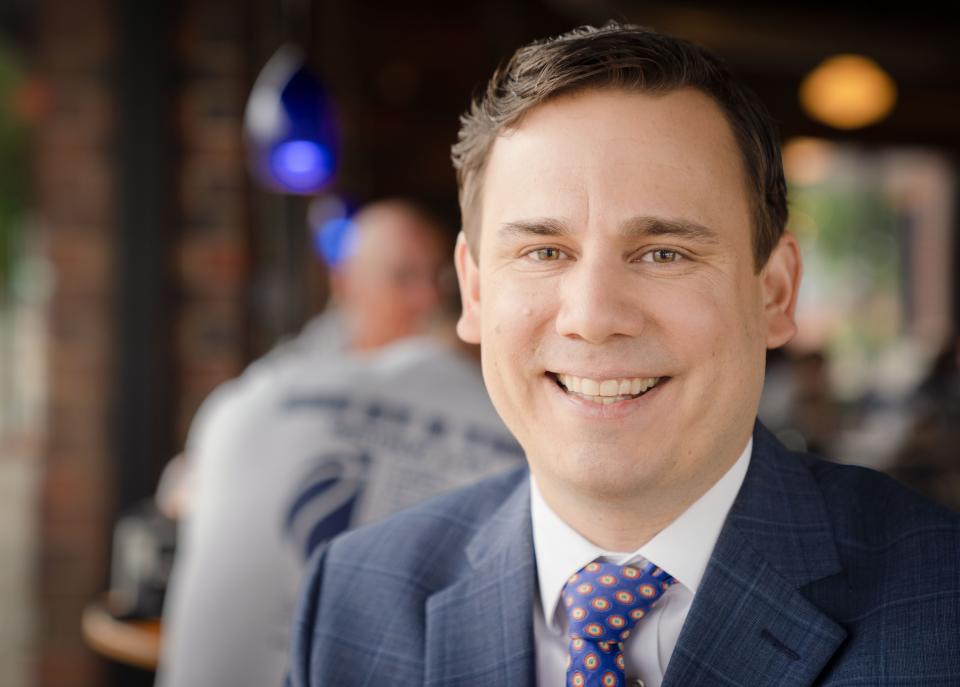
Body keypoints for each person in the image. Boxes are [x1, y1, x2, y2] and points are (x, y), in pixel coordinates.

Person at [287, 23, 960, 687]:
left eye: (664, 252)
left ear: (774, 292)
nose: (594, 317)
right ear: (475, 291)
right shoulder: (356, 597)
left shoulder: (941, 604)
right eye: (544, 251)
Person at [155, 198, 475, 687]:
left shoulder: (470, 385)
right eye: (403, 278)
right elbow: (181, 489)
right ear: (345, 285)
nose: (427, 300)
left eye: (436, 279)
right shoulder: (283, 379)